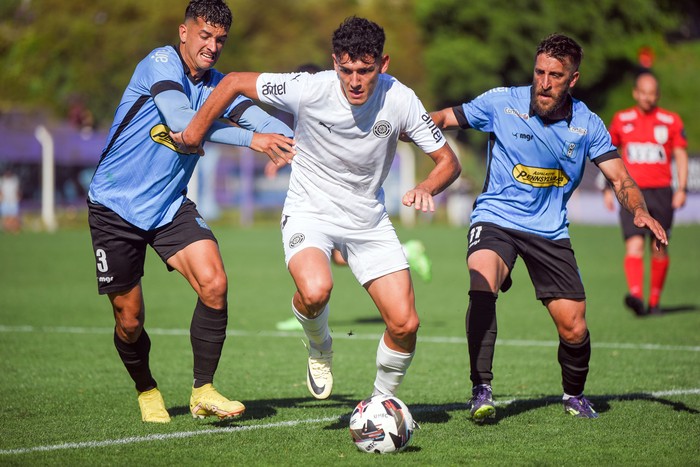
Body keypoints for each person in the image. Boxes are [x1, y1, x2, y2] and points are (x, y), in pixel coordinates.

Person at [173, 16, 461, 400]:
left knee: (406, 323)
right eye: (346, 70)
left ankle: (380, 403)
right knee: (315, 291)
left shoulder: (401, 98)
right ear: (333, 62)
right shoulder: (309, 87)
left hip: (367, 220)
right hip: (309, 210)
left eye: (365, 70)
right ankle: (320, 346)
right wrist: (194, 132)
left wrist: (427, 186)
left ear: (384, 63)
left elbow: (448, 161)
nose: (355, 81)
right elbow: (234, 82)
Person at [430, 33, 668, 421]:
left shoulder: (587, 124)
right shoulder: (501, 102)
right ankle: (481, 389)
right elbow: (442, 118)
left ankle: (574, 395)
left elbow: (621, 179)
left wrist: (639, 210)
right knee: (482, 279)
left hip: (549, 230)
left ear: (572, 79)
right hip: (497, 218)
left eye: (555, 75)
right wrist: (403, 126)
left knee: (574, 328)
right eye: (539, 71)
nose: (544, 81)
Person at [87, 0, 294, 424]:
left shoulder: (218, 85)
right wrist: (251, 141)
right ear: (184, 32)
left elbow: (272, 125)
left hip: (168, 207)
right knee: (130, 321)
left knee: (214, 283)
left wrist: (315, 136)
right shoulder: (159, 63)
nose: (212, 46)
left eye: (220, 39)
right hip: (115, 207)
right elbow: (184, 123)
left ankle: (203, 390)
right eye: (205, 35)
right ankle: (146, 390)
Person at [603, 72, 688, 316]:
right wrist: (606, 188)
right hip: (631, 193)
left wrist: (681, 188)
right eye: (643, 92)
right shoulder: (622, 119)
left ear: (657, 95)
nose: (648, 97)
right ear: (635, 93)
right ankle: (637, 297)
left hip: (662, 192)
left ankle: (655, 302)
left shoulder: (670, 121)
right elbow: (608, 154)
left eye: (652, 93)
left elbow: (681, 155)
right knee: (634, 245)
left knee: (659, 246)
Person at [0, 168, 21, 233]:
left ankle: (14, 229)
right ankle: (7, 229)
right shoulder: (2, 181)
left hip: (13, 200)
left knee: (14, 216)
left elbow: (17, 190)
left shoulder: (14, 180)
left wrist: (18, 197)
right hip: (5, 201)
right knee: (6, 217)